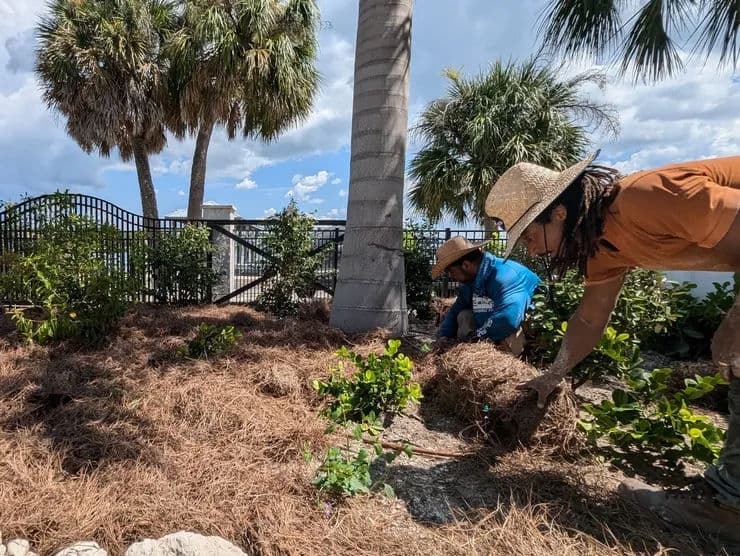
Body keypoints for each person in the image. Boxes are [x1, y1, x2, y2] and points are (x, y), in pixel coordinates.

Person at [485, 152, 740, 541]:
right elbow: (589, 320)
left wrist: (736, 320)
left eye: (530, 235)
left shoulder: (647, 197)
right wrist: (551, 375)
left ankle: (726, 508)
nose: (531, 251)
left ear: (558, 214)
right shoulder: (604, 247)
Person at [431, 236, 541, 355]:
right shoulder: (470, 283)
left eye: (451, 271)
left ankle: (507, 362)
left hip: (520, 330)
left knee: (510, 329)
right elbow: (455, 312)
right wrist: (443, 337)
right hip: (489, 329)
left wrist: (476, 338)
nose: (451, 277)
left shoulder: (504, 277)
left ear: (466, 265)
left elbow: (508, 319)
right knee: (464, 315)